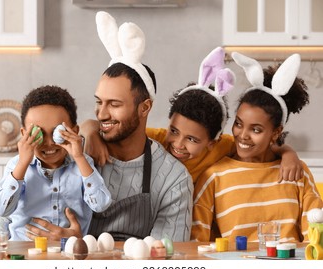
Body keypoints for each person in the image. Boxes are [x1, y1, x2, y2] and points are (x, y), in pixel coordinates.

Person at [25, 11, 193, 242]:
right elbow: (9, 219)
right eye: (98, 102)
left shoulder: (173, 179)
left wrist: (78, 244)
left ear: (144, 108)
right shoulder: (76, 153)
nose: (102, 113)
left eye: (114, 104)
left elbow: (165, 259)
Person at [86, 47, 304, 184]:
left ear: (212, 142)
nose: (178, 144)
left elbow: (265, 147)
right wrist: (92, 134)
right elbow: (97, 125)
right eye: (174, 131)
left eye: (192, 139)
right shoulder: (158, 141)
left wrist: (289, 155)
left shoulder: (223, 147)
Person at [191, 52, 323, 242]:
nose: (243, 135)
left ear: (276, 133)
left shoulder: (296, 172)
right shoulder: (213, 178)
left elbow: (315, 236)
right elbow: (199, 242)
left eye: (256, 129)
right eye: (238, 123)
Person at [0, 85, 112, 241]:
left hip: (68, 252)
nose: (49, 143)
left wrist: (79, 157)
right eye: (39, 134)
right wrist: (22, 164)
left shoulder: (83, 163)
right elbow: (2, 210)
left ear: (74, 131)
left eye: (57, 133)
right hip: (23, 252)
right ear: (24, 134)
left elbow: (101, 205)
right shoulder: (16, 165)